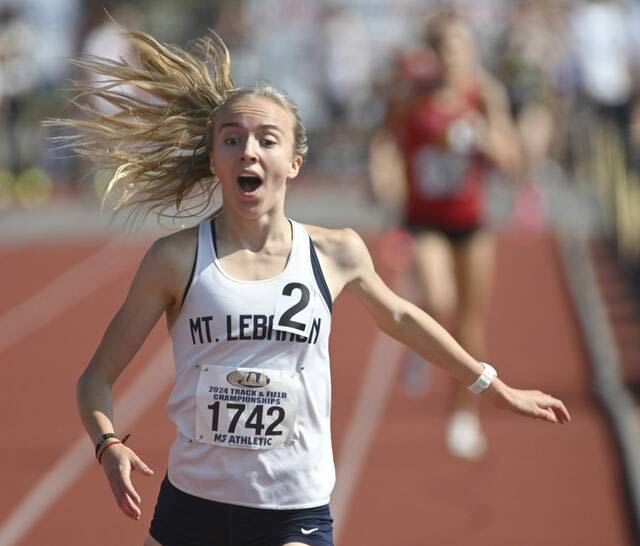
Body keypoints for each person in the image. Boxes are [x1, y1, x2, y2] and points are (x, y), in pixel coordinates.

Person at [64, 30, 570, 546]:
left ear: (294, 162)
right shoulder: (175, 259)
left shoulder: (335, 252)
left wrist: (491, 383)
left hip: (293, 509)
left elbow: (399, 318)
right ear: (214, 159)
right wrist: (108, 446)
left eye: (267, 140)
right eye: (232, 139)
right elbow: (95, 378)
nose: (249, 153)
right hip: (191, 508)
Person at [370, 11, 522, 460]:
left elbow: (511, 160)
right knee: (441, 300)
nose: (456, 59)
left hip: (471, 223)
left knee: (471, 322)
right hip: (424, 219)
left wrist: (481, 137)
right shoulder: (411, 96)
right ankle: (422, 346)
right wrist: (383, 174)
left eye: (463, 50)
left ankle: (463, 413)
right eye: (448, 51)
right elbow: (385, 140)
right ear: (432, 56)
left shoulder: (484, 95)